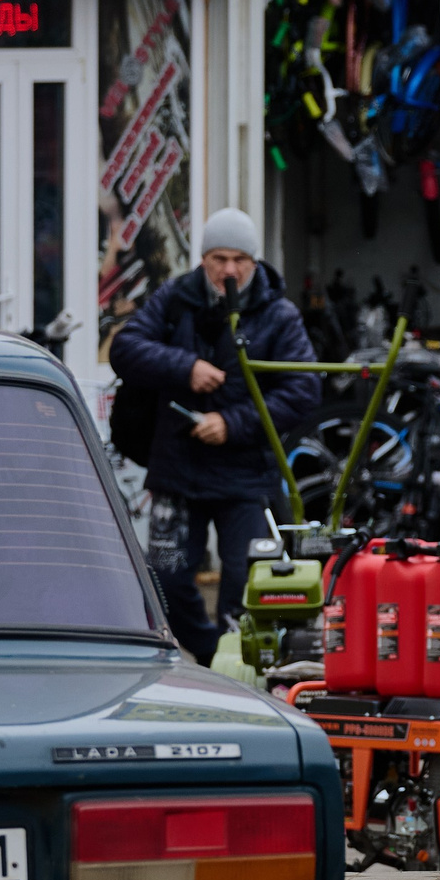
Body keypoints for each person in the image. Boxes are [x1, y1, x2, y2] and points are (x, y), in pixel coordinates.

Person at [106, 208, 319, 664]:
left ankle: (236, 662)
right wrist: (185, 367)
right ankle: (210, 656)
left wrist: (232, 423)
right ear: (203, 259)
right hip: (178, 468)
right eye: (219, 258)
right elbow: (125, 348)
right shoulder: (175, 297)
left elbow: (303, 389)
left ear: (255, 263)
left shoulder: (279, 314)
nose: (229, 270)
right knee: (165, 580)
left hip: (245, 474)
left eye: (240, 259)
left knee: (245, 584)